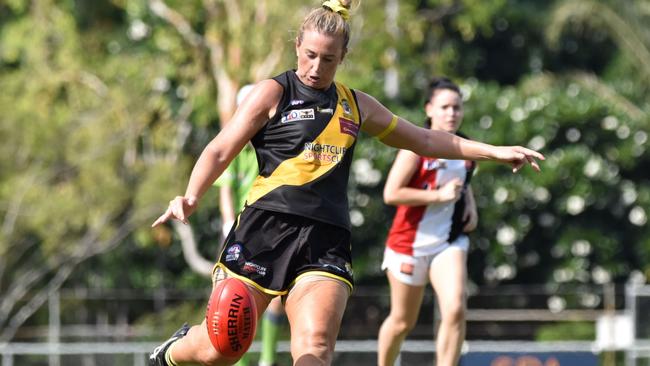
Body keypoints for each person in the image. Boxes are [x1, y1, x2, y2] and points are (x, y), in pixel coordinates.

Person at [149, 1, 544, 365]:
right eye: (310, 55)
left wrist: (493, 151)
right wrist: (190, 195)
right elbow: (221, 149)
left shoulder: (356, 105)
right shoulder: (275, 91)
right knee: (224, 349)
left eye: (329, 59)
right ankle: (171, 353)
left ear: (343, 58)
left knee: (316, 346)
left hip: (326, 238)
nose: (317, 68)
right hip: (264, 230)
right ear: (297, 47)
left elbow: (424, 139)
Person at [377, 77, 477, 366]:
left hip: (448, 242)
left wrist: (469, 203)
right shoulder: (414, 147)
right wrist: (439, 196)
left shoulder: (467, 149)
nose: (452, 113)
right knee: (401, 321)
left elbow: (464, 181)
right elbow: (391, 193)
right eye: (445, 107)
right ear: (429, 109)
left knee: (456, 309)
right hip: (408, 244)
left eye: (457, 107)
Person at [214, 84, 286, 366]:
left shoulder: (277, 143)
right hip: (242, 229)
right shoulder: (235, 146)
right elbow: (225, 192)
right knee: (234, 296)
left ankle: (267, 359)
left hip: (274, 227)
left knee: (276, 294)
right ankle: (239, 362)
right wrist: (228, 225)